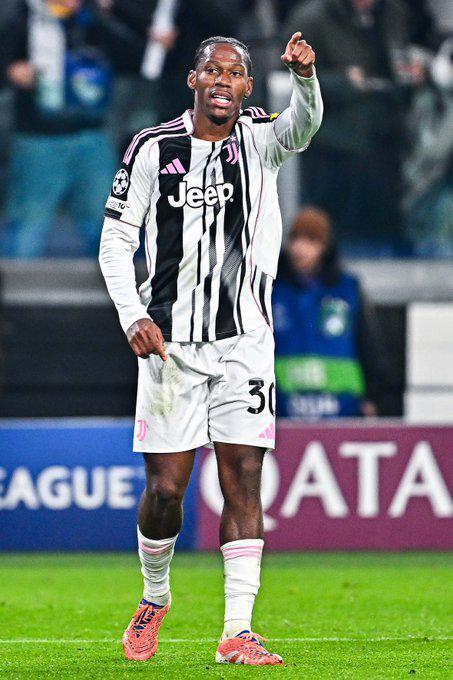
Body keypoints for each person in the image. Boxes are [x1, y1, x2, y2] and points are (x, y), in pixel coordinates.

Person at [99, 33, 322, 665]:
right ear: (193, 80)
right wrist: (133, 315)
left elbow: (305, 125)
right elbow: (115, 241)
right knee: (166, 491)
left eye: (235, 73)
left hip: (245, 341)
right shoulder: (153, 148)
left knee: (244, 476)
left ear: (248, 86)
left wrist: (305, 79)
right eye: (212, 70)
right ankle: (155, 596)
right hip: (171, 347)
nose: (223, 80)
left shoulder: (262, 139)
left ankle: (237, 631)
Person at [2, 0, 148, 258]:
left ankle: (120, 284)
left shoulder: (93, 19)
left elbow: (136, 59)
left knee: (111, 226)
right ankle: (14, 283)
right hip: (39, 140)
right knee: (26, 230)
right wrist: (10, 70)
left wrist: (108, 14)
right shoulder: (20, 15)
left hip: (91, 136)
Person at [273, 207, 390, 419]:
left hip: (344, 410)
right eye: (295, 238)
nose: (299, 247)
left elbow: (369, 345)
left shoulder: (348, 289)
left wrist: (374, 399)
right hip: (284, 412)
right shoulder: (273, 289)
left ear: (324, 246)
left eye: (310, 240)